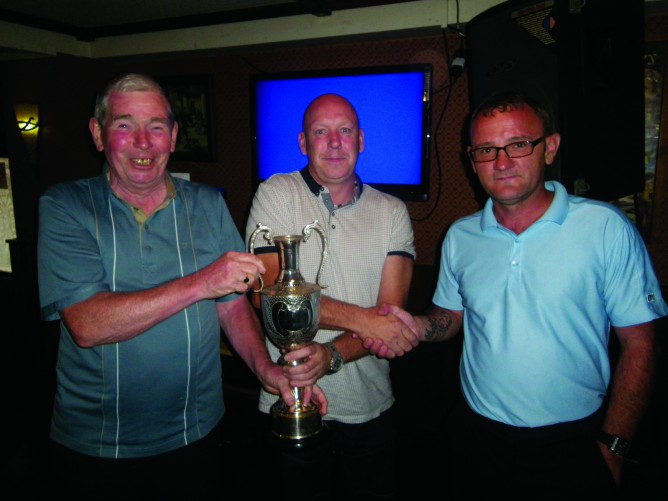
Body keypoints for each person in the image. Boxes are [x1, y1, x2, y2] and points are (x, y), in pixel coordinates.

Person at [36, 73, 327, 498]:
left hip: (198, 433)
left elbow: (230, 307)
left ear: (173, 137)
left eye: (156, 127)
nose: (143, 142)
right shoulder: (66, 206)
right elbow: (87, 324)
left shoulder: (208, 205)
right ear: (98, 135)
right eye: (123, 125)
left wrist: (266, 370)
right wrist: (202, 282)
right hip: (99, 446)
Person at [370, 90, 668, 498]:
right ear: (471, 160)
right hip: (477, 439)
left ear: (550, 148)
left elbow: (641, 344)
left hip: (574, 442)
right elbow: (450, 316)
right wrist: (417, 327)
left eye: (519, 145)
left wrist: (613, 447)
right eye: (487, 150)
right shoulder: (460, 235)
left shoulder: (604, 228)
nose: (503, 162)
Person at [245, 93, 418, 500]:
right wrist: (366, 320)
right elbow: (269, 298)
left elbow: (389, 320)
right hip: (288, 395)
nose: (335, 142)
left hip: (369, 403)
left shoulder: (393, 211)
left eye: (344, 131)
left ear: (361, 140)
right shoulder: (276, 193)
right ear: (303, 143)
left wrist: (330, 355)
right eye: (321, 132)